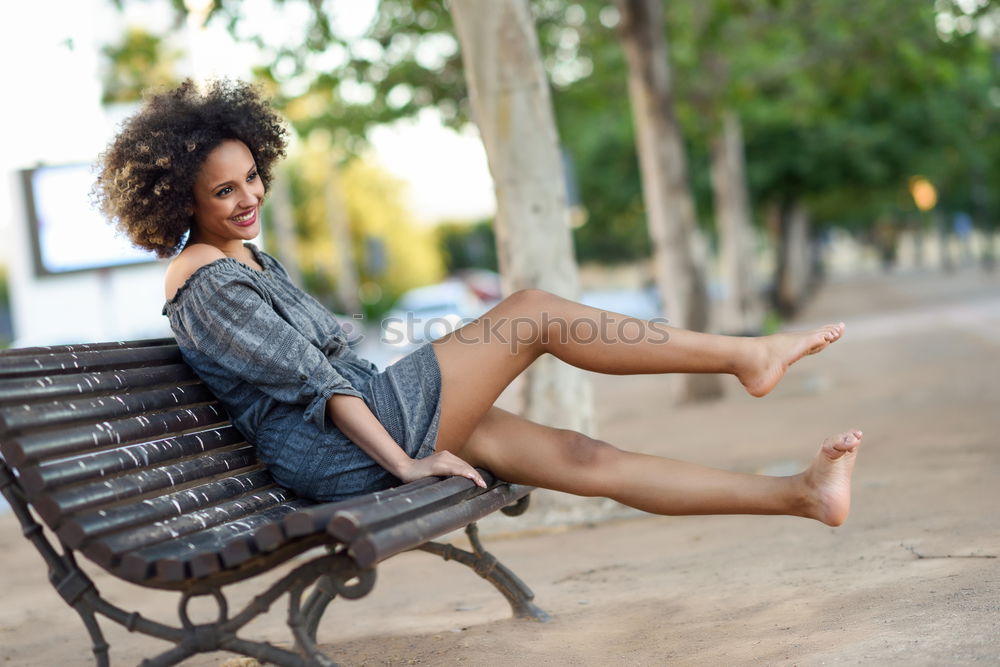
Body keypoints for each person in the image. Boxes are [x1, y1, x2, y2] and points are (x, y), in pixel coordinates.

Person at [94, 79, 862, 527]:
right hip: (345, 449)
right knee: (531, 312)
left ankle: (800, 495)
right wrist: (407, 464)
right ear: (178, 198)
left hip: (371, 414)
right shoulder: (204, 280)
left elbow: (334, 370)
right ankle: (745, 355)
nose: (248, 196)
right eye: (223, 190)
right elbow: (318, 385)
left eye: (252, 176)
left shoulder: (244, 256)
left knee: (579, 455)